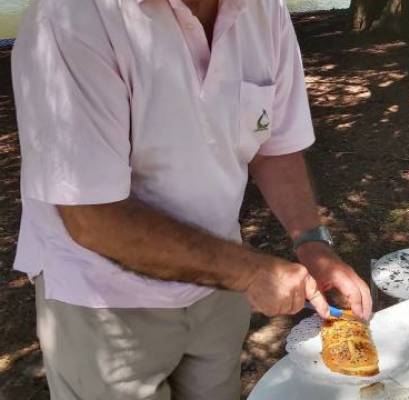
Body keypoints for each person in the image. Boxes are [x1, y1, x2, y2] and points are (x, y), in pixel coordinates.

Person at [11, 0, 372, 399]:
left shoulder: (263, 9)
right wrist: (252, 273)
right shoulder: (70, 17)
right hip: (102, 302)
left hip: (219, 283)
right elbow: (91, 217)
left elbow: (275, 145)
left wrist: (312, 243)